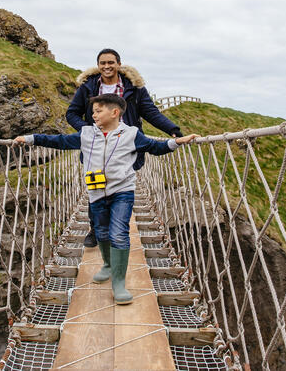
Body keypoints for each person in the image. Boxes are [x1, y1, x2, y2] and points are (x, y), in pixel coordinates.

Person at [16, 94, 198, 305]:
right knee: (101, 232)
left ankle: (119, 284)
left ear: (114, 112)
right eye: (93, 111)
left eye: (98, 111)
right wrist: (30, 139)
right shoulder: (86, 134)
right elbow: (60, 141)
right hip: (95, 192)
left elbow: (154, 148)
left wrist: (176, 142)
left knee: (119, 233)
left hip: (123, 191)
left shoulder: (131, 134)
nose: (93, 115)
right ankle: (109, 265)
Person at [66, 48, 184, 247]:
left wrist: (172, 130)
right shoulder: (88, 88)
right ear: (98, 65)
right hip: (96, 146)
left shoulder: (134, 88)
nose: (106, 66)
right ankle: (95, 230)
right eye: (102, 63)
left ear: (119, 64)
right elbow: (72, 114)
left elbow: (151, 112)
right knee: (96, 186)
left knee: (119, 187)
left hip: (125, 145)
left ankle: (116, 229)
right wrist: (87, 130)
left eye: (111, 62)